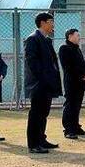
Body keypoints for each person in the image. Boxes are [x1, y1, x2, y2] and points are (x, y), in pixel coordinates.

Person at [24, 12, 62, 153]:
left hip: (47, 84)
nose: (53, 24)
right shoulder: (32, 39)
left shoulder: (46, 40)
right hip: (38, 84)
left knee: (43, 113)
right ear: (43, 23)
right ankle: (33, 144)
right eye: (51, 21)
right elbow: (32, 62)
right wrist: (43, 78)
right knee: (36, 113)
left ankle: (41, 139)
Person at [58, 29, 85, 140]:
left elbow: (82, 63)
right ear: (70, 36)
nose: (79, 37)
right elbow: (68, 67)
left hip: (80, 82)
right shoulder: (64, 48)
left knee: (77, 105)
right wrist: (82, 74)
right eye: (77, 35)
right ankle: (68, 129)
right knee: (70, 105)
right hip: (71, 82)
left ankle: (76, 127)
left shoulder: (77, 49)